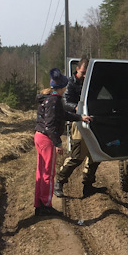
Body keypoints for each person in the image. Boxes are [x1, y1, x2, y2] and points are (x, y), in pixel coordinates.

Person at [35, 68, 92, 217]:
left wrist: (80, 117)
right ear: (61, 87)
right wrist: (57, 143)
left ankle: (39, 204)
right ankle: (46, 205)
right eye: (65, 85)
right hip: (46, 139)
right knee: (48, 173)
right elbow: (50, 124)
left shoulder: (50, 98)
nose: (66, 88)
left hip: (40, 136)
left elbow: (63, 115)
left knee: (41, 172)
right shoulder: (54, 100)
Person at [55, 58, 100, 197]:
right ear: (77, 70)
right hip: (78, 121)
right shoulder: (70, 83)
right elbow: (65, 102)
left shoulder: (92, 82)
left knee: (96, 155)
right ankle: (59, 181)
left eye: (88, 73)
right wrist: (78, 108)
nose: (85, 76)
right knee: (77, 156)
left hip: (92, 121)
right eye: (83, 73)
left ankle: (88, 184)